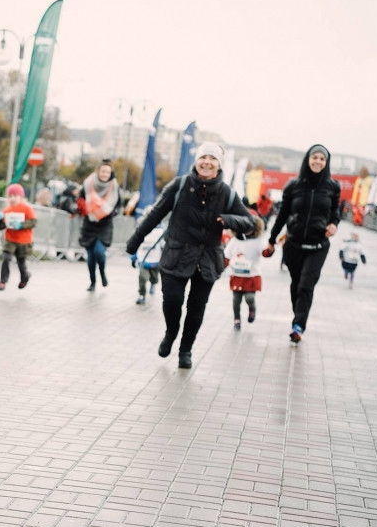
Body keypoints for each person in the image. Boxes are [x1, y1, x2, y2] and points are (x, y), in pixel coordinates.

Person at [125, 142, 254, 369]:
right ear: (197, 161)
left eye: (213, 159)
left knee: (196, 309)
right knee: (172, 301)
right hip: (176, 254)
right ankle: (171, 332)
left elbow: (249, 223)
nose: (207, 162)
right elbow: (156, 214)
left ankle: (186, 350)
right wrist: (135, 242)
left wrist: (228, 220)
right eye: (204, 157)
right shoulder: (180, 185)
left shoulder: (228, 193)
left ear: (218, 165)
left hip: (207, 261)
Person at [264, 144, 341, 343]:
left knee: (306, 285)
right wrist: (272, 240)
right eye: (314, 157)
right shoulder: (293, 185)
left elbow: (335, 212)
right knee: (296, 285)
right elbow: (282, 215)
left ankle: (298, 326)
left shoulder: (333, 187)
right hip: (293, 245)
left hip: (318, 246)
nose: (318, 161)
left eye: (322, 159)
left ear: (327, 162)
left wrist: (333, 224)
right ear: (307, 159)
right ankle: (298, 315)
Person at [77, 159, 122, 291]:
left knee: (99, 252)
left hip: (105, 224)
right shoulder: (88, 183)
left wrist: (109, 212)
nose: (105, 174)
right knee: (90, 256)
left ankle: (102, 273)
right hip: (89, 223)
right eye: (103, 171)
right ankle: (93, 282)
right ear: (98, 171)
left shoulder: (114, 186)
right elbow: (80, 199)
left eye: (108, 172)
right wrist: (81, 208)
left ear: (110, 173)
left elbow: (119, 205)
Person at [224, 215, 266, 329]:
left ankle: (252, 308)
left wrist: (269, 250)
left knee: (249, 298)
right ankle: (236, 318)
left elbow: (264, 252)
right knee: (236, 301)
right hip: (237, 274)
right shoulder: (234, 241)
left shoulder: (257, 241)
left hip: (251, 275)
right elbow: (226, 256)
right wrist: (220, 267)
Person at [0, 184, 37, 291]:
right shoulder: (6, 210)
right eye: (10, 196)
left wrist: (21, 225)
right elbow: (2, 226)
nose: (12, 198)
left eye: (15, 196)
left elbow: (33, 222)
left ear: (21, 197)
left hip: (24, 241)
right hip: (10, 239)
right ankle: (2, 281)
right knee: (6, 258)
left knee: (21, 263)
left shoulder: (27, 208)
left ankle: (25, 277)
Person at [131, 222, 164, 305]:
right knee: (143, 278)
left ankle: (153, 283)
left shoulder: (160, 232)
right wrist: (133, 258)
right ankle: (142, 295)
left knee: (154, 278)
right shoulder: (141, 230)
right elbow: (135, 244)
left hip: (155, 261)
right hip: (143, 259)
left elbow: (164, 246)